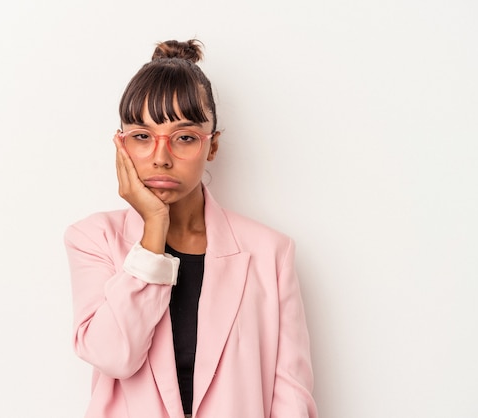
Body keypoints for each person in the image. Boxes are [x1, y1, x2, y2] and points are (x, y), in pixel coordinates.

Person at [64, 39, 318, 418]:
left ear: (212, 145)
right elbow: (113, 356)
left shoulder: (271, 253)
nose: (161, 158)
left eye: (184, 138)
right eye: (142, 137)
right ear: (121, 146)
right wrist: (153, 228)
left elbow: (292, 400)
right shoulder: (93, 240)